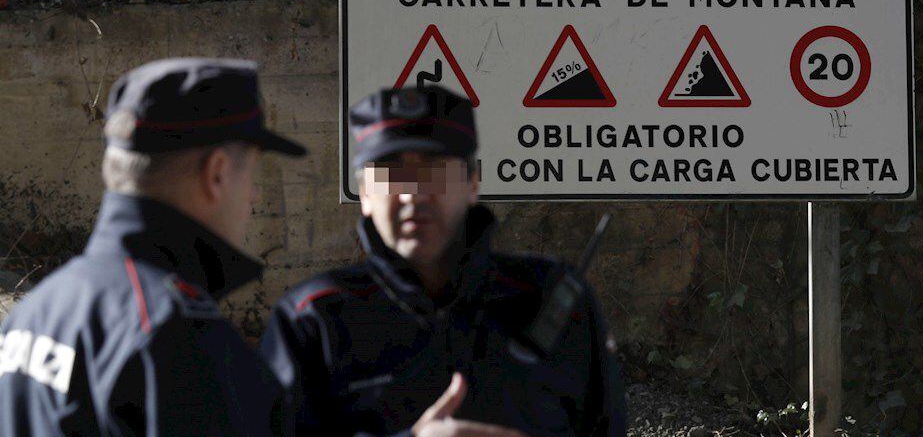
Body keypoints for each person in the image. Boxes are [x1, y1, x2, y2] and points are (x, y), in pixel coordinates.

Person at [261, 85, 626, 437]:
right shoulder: (314, 319)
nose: (413, 193)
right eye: (391, 172)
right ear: (365, 194)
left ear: (472, 184)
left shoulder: (553, 301)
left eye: (435, 169)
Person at [0, 57, 306, 436]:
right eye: (252, 176)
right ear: (217, 173)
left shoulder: (35, 311)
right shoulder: (172, 335)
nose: (254, 196)